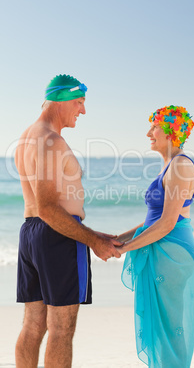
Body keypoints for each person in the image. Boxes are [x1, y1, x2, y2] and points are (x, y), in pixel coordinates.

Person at [14, 74, 122, 368]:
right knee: (62, 328)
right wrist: (93, 241)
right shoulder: (51, 140)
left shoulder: (26, 138)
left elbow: (43, 208)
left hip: (31, 234)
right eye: (79, 102)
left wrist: (94, 233)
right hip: (55, 238)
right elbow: (50, 209)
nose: (82, 111)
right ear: (61, 100)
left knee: (33, 324)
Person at [117, 106, 194, 368]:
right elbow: (154, 219)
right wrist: (119, 238)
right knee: (162, 324)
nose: (148, 133)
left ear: (170, 132)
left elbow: (166, 224)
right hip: (163, 248)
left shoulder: (181, 166)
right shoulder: (170, 165)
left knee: (170, 325)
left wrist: (125, 248)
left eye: (154, 127)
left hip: (172, 252)